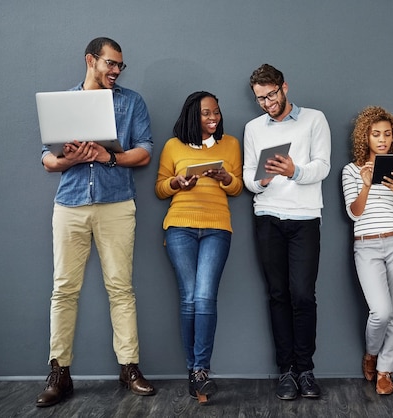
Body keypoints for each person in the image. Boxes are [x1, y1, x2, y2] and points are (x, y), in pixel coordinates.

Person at [36, 37, 155, 407]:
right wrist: (70, 158)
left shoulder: (131, 101)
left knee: (121, 288)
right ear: (91, 60)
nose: (116, 71)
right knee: (63, 290)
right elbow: (47, 160)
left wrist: (108, 156)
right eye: (110, 64)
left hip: (116, 204)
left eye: (120, 66)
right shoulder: (63, 102)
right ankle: (59, 372)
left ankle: (129, 367)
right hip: (70, 205)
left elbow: (145, 151)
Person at [243, 64, 331, 400]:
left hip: (305, 218)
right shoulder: (253, 129)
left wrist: (294, 170)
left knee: (303, 295)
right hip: (267, 216)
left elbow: (322, 166)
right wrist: (263, 179)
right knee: (278, 295)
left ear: (285, 88)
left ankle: (305, 369)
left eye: (271, 95)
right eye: (260, 99)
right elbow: (250, 178)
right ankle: (286, 372)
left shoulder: (314, 119)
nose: (267, 103)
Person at [155, 91, 243, 404]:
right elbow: (160, 188)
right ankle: (196, 372)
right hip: (180, 226)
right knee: (189, 298)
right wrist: (178, 183)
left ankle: (200, 369)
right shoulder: (173, 146)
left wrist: (225, 176)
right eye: (207, 113)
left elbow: (237, 187)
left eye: (216, 113)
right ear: (193, 115)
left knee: (205, 296)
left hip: (217, 228)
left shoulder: (230, 144)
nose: (213, 119)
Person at [342, 106, 393, 395]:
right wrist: (366, 186)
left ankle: (385, 370)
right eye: (375, 134)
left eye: (387, 134)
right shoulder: (350, 171)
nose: (382, 139)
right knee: (380, 311)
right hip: (366, 245)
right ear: (366, 138)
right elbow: (354, 214)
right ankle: (371, 353)